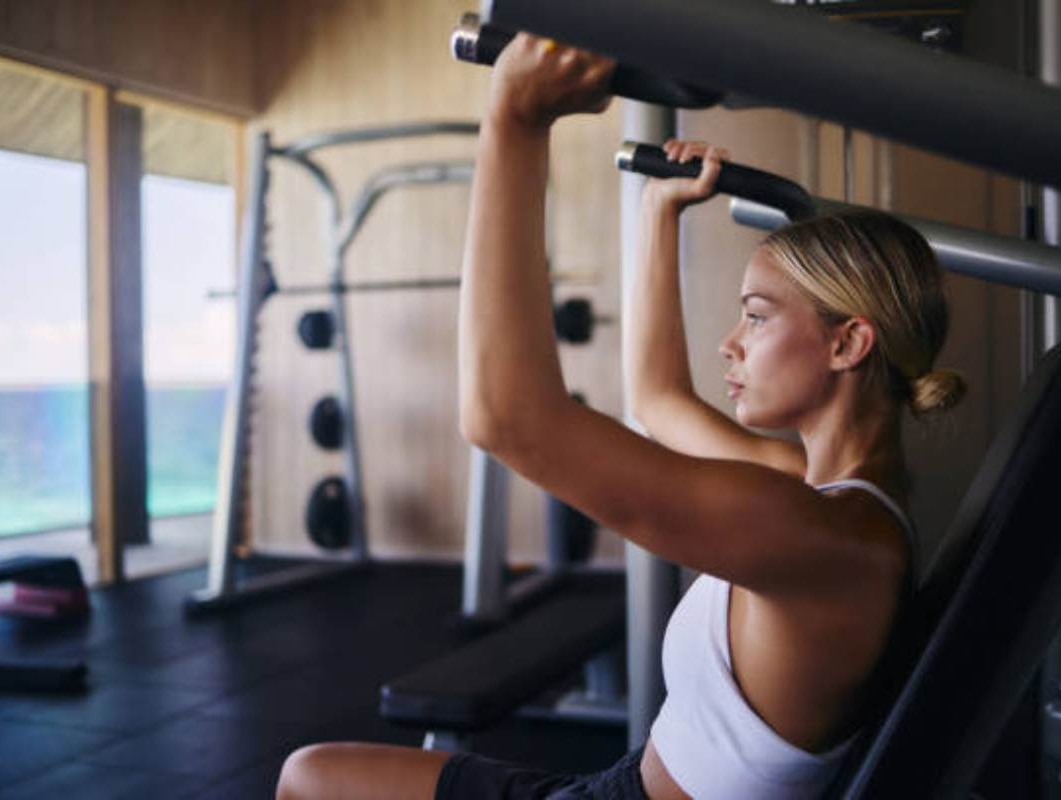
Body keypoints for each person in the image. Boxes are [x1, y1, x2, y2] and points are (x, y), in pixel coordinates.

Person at [276, 33, 964, 800]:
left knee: (312, 782)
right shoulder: (819, 495)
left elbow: (505, 419)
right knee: (315, 774)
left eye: (758, 318)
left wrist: (514, 121)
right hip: (614, 784)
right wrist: (658, 214)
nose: (729, 344)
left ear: (848, 343)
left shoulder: (811, 534)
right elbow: (657, 401)